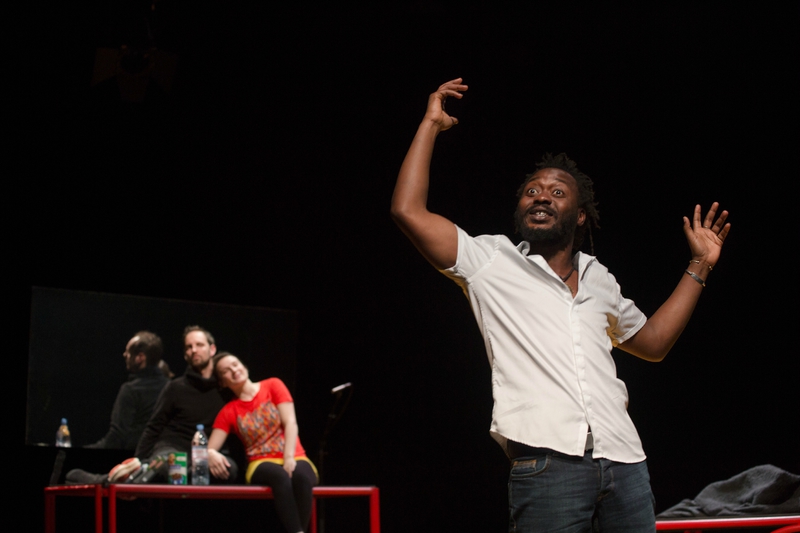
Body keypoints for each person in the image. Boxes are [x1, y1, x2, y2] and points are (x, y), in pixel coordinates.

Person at [390, 78, 731, 532]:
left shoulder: (599, 278)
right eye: (532, 190)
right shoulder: (490, 260)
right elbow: (408, 211)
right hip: (548, 467)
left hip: (625, 461)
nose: (541, 196)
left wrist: (700, 265)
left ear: (581, 215)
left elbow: (653, 344)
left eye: (556, 192)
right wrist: (431, 124)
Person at [66, 325, 238, 484]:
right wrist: (136, 462)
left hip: (207, 453)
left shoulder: (225, 389)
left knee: (229, 470)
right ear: (185, 354)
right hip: (173, 450)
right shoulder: (175, 387)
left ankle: (131, 477)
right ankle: (112, 479)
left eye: (199, 345)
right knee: (170, 467)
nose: (194, 350)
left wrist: (209, 454)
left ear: (212, 349)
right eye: (188, 347)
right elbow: (154, 427)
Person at [208, 352, 317, 533]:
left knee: (302, 477)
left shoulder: (273, 385)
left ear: (243, 365)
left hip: (293, 454)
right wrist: (211, 453)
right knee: (280, 477)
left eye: (235, 364)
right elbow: (210, 448)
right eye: (226, 371)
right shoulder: (229, 410)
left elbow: (290, 422)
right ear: (222, 382)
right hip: (260, 461)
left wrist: (289, 456)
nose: (234, 370)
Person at [86, 331, 169, 450]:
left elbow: (116, 438)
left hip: (133, 459)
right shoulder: (171, 387)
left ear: (140, 357)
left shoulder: (131, 390)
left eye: (128, 352)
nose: (124, 355)